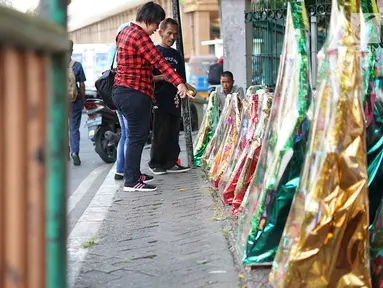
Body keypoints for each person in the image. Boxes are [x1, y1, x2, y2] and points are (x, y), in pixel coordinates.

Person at [112, 2, 195, 192]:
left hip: (121, 91)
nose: (156, 29)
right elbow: (161, 62)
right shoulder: (140, 37)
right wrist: (179, 83)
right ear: (148, 20)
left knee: (135, 136)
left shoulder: (124, 31)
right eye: (156, 24)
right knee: (136, 137)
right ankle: (132, 181)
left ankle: (133, 173)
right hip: (134, 93)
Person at [148, 18, 192, 175]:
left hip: (175, 100)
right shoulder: (154, 52)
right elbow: (147, 77)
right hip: (159, 100)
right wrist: (163, 77)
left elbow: (180, 78)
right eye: (169, 33)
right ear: (160, 33)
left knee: (173, 132)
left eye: (175, 34)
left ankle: (171, 162)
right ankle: (155, 163)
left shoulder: (176, 54)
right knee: (160, 133)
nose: (173, 37)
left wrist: (188, 87)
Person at [109, 22, 131, 180]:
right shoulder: (124, 50)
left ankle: (120, 169)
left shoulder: (113, 50)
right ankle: (128, 171)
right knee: (131, 135)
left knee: (125, 134)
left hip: (115, 95)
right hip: (125, 94)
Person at [69, 40, 86, 166]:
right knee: (74, 128)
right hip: (75, 100)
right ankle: (75, 152)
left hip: (59, 101)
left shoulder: (55, 65)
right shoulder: (77, 65)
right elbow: (82, 85)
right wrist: (83, 99)